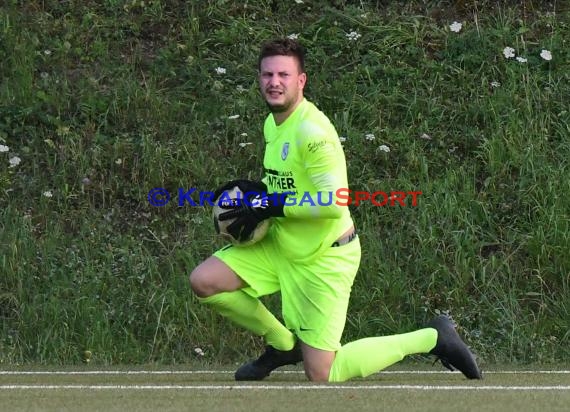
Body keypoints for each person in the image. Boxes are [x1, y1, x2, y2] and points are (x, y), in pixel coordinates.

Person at [189, 38, 482, 382]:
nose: (274, 81)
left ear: (301, 81)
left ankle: (433, 337)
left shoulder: (314, 133)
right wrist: (256, 193)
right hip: (282, 245)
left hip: (324, 257)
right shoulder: (274, 123)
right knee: (204, 281)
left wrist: (272, 204)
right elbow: (289, 183)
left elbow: (332, 202)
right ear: (259, 78)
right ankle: (283, 345)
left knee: (323, 375)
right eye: (268, 74)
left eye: (284, 74)